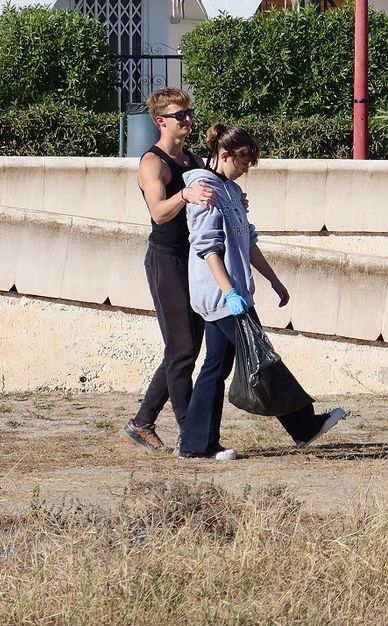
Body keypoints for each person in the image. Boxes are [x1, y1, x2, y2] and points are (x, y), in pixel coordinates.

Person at [178, 123, 345, 460]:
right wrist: (229, 293)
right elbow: (207, 248)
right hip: (222, 294)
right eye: (242, 163)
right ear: (224, 155)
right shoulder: (205, 191)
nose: (245, 170)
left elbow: (247, 241)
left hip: (233, 292)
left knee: (216, 366)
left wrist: (272, 279)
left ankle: (195, 444)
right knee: (262, 359)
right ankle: (303, 426)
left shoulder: (229, 192)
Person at [120, 88, 216, 453]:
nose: (188, 120)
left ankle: (141, 422)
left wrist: (232, 198)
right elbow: (158, 213)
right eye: (180, 116)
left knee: (185, 348)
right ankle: (190, 435)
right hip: (165, 259)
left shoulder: (191, 160)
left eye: (189, 113)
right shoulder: (152, 163)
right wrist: (184, 196)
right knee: (182, 348)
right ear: (161, 121)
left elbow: (210, 196)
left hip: (192, 257)